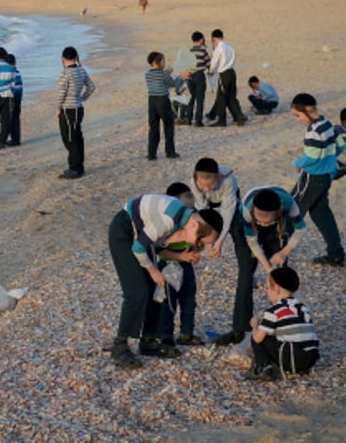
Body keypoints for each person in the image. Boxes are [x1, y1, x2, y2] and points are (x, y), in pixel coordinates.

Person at [106, 193, 223, 369]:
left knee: (155, 289)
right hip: (124, 230)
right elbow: (139, 247)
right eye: (200, 240)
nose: (200, 244)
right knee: (137, 291)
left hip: (141, 236)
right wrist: (153, 270)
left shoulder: (184, 220)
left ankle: (149, 340)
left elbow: (157, 245)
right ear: (194, 225)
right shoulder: (171, 219)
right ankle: (120, 345)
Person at [213, 186, 308, 347]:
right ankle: (239, 330)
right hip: (249, 233)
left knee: (281, 282)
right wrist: (268, 269)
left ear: (278, 212)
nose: (263, 222)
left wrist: (283, 253)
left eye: (266, 220)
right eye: (260, 219)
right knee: (245, 276)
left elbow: (301, 229)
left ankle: (281, 326)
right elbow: (252, 242)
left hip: (277, 229)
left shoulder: (288, 203)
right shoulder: (246, 209)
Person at [189, 158, 257, 347]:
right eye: (203, 186)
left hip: (231, 210)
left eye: (211, 185)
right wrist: (209, 239)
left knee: (245, 257)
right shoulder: (194, 182)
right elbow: (203, 210)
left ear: (217, 177)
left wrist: (219, 241)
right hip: (208, 210)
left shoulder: (228, 181)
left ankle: (241, 326)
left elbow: (227, 213)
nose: (208, 189)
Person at [290, 93, 346, 266]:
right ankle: (336, 254)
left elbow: (313, 157)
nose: (297, 119)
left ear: (307, 110)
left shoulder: (313, 131)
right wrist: (330, 161)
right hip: (326, 177)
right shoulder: (327, 123)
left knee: (290, 208)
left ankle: (274, 248)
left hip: (312, 177)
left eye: (297, 115)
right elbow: (341, 145)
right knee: (321, 215)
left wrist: (297, 162)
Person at [147, 183, 201, 350]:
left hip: (186, 265)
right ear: (175, 201)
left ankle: (187, 333)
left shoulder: (195, 218)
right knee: (168, 302)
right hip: (168, 266)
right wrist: (180, 256)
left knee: (189, 299)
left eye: (192, 195)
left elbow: (200, 239)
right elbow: (159, 250)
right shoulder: (168, 222)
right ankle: (166, 336)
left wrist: (195, 252)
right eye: (188, 196)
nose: (192, 199)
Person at [246, 266, 320, 381]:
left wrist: (255, 325)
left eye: (267, 288)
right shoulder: (302, 307)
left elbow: (257, 338)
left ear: (276, 289)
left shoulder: (274, 310)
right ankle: (301, 368)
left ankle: (263, 367)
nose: (267, 292)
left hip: (293, 359)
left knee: (258, 335)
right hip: (311, 358)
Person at [56, 46, 96, 179]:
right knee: (77, 136)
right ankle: (79, 166)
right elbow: (91, 87)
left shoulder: (65, 73)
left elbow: (62, 93)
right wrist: (82, 98)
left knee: (69, 138)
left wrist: (58, 108)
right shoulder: (81, 70)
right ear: (76, 57)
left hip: (69, 109)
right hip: (78, 108)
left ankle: (75, 168)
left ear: (63, 58)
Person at [144, 51, 185, 160]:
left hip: (152, 102)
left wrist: (166, 72)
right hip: (162, 101)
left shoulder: (147, 74)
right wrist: (182, 77)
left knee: (153, 128)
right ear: (159, 61)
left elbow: (160, 79)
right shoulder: (163, 74)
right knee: (169, 127)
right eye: (163, 60)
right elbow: (174, 84)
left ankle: (151, 154)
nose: (164, 62)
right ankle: (170, 152)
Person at [205, 29, 247, 127]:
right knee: (232, 96)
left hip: (224, 74)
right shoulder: (230, 47)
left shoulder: (218, 49)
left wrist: (211, 71)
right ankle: (239, 116)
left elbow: (214, 63)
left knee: (221, 97)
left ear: (214, 39)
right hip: (232, 72)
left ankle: (222, 120)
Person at [184, 31, 210, 127]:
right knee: (199, 99)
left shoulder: (188, 51)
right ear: (201, 40)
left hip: (189, 76)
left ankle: (188, 119)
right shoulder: (203, 51)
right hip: (199, 75)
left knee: (190, 98)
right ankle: (198, 120)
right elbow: (208, 64)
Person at [5, 53, 23, 146]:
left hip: (13, 95)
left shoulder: (10, 72)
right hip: (19, 94)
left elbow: (9, 86)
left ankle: (14, 139)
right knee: (16, 116)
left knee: (12, 116)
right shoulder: (17, 71)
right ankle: (16, 138)